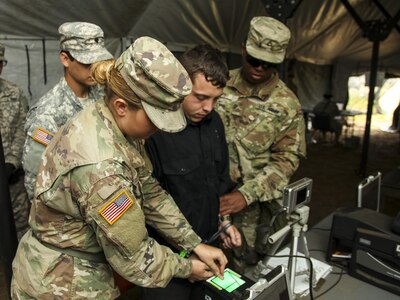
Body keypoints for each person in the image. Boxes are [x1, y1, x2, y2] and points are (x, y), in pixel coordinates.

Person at [11, 36, 227, 299]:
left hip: (75, 269)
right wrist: (187, 267)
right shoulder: (103, 169)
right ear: (122, 106)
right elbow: (135, 259)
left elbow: (149, 191)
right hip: (63, 284)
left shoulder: (110, 121)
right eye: (156, 119)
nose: (160, 128)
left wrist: (193, 243)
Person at [143, 44, 242, 300]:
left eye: (215, 99)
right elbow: (148, 205)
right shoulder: (155, 132)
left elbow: (219, 183)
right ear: (181, 86)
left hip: (210, 249)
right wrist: (185, 260)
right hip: (169, 262)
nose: (208, 107)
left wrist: (225, 223)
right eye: (200, 97)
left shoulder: (214, 124)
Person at [215, 16, 307, 272]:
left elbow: (287, 161)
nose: (259, 68)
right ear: (243, 48)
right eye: (254, 60)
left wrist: (246, 195)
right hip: (210, 196)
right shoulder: (218, 85)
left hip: (253, 210)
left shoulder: (286, 104)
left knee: (244, 268)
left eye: (268, 64)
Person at [22, 21, 114, 202]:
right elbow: (37, 184)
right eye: (87, 61)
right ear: (65, 59)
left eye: (98, 60)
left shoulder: (103, 95)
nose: (94, 68)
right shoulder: (47, 113)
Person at [0, 43, 30, 240]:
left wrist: (11, 163)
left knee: (19, 234)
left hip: (12, 183)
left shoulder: (14, 94)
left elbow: (23, 129)